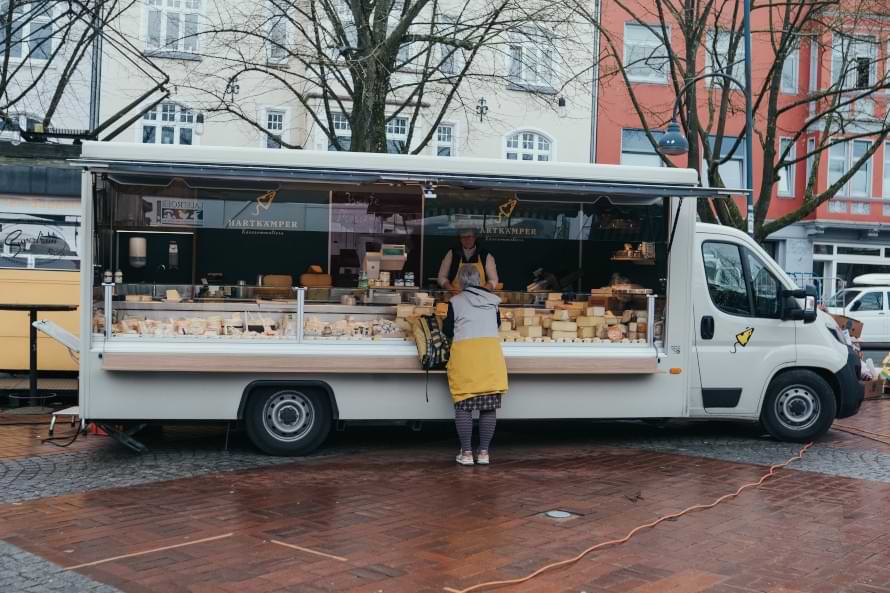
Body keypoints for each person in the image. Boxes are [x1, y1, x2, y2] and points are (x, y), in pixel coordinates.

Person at [442, 265, 508, 466]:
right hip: (490, 356)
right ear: (479, 280)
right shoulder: (493, 301)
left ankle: (467, 453)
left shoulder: (456, 301)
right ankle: (484, 453)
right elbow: (496, 325)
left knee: (464, 404)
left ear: (460, 282)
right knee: (488, 407)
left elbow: (447, 330)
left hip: (466, 357)